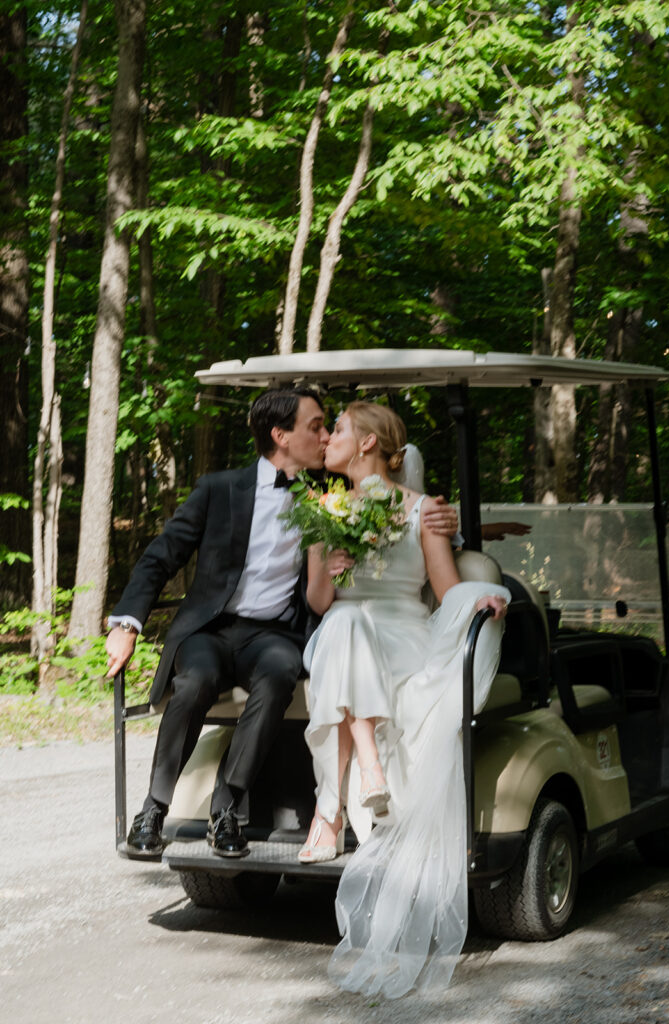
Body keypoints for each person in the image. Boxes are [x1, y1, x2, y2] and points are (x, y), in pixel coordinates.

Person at [106, 389, 459, 861]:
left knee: (278, 673)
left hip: (273, 636)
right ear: (280, 436)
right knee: (196, 681)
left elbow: (397, 527)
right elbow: (160, 557)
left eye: (329, 428)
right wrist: (127, 623)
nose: (323, 434)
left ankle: (227, 809)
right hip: (211, 629)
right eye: (315, 426)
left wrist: (452, 522)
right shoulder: (219, 489)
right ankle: (153, 808)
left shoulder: (324, 502)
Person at [298, 402, 510, 998]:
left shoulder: (424, 511)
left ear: (367, 444)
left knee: (348, 630)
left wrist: (482, 598)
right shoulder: (321, 511)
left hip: (405, 634)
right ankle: (368, 766)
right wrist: (330, 565)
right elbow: (320, 603)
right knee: (341, 624)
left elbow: (445, 590)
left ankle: (329, 812)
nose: (329, 440)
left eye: (337, 430)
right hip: (347, 633)